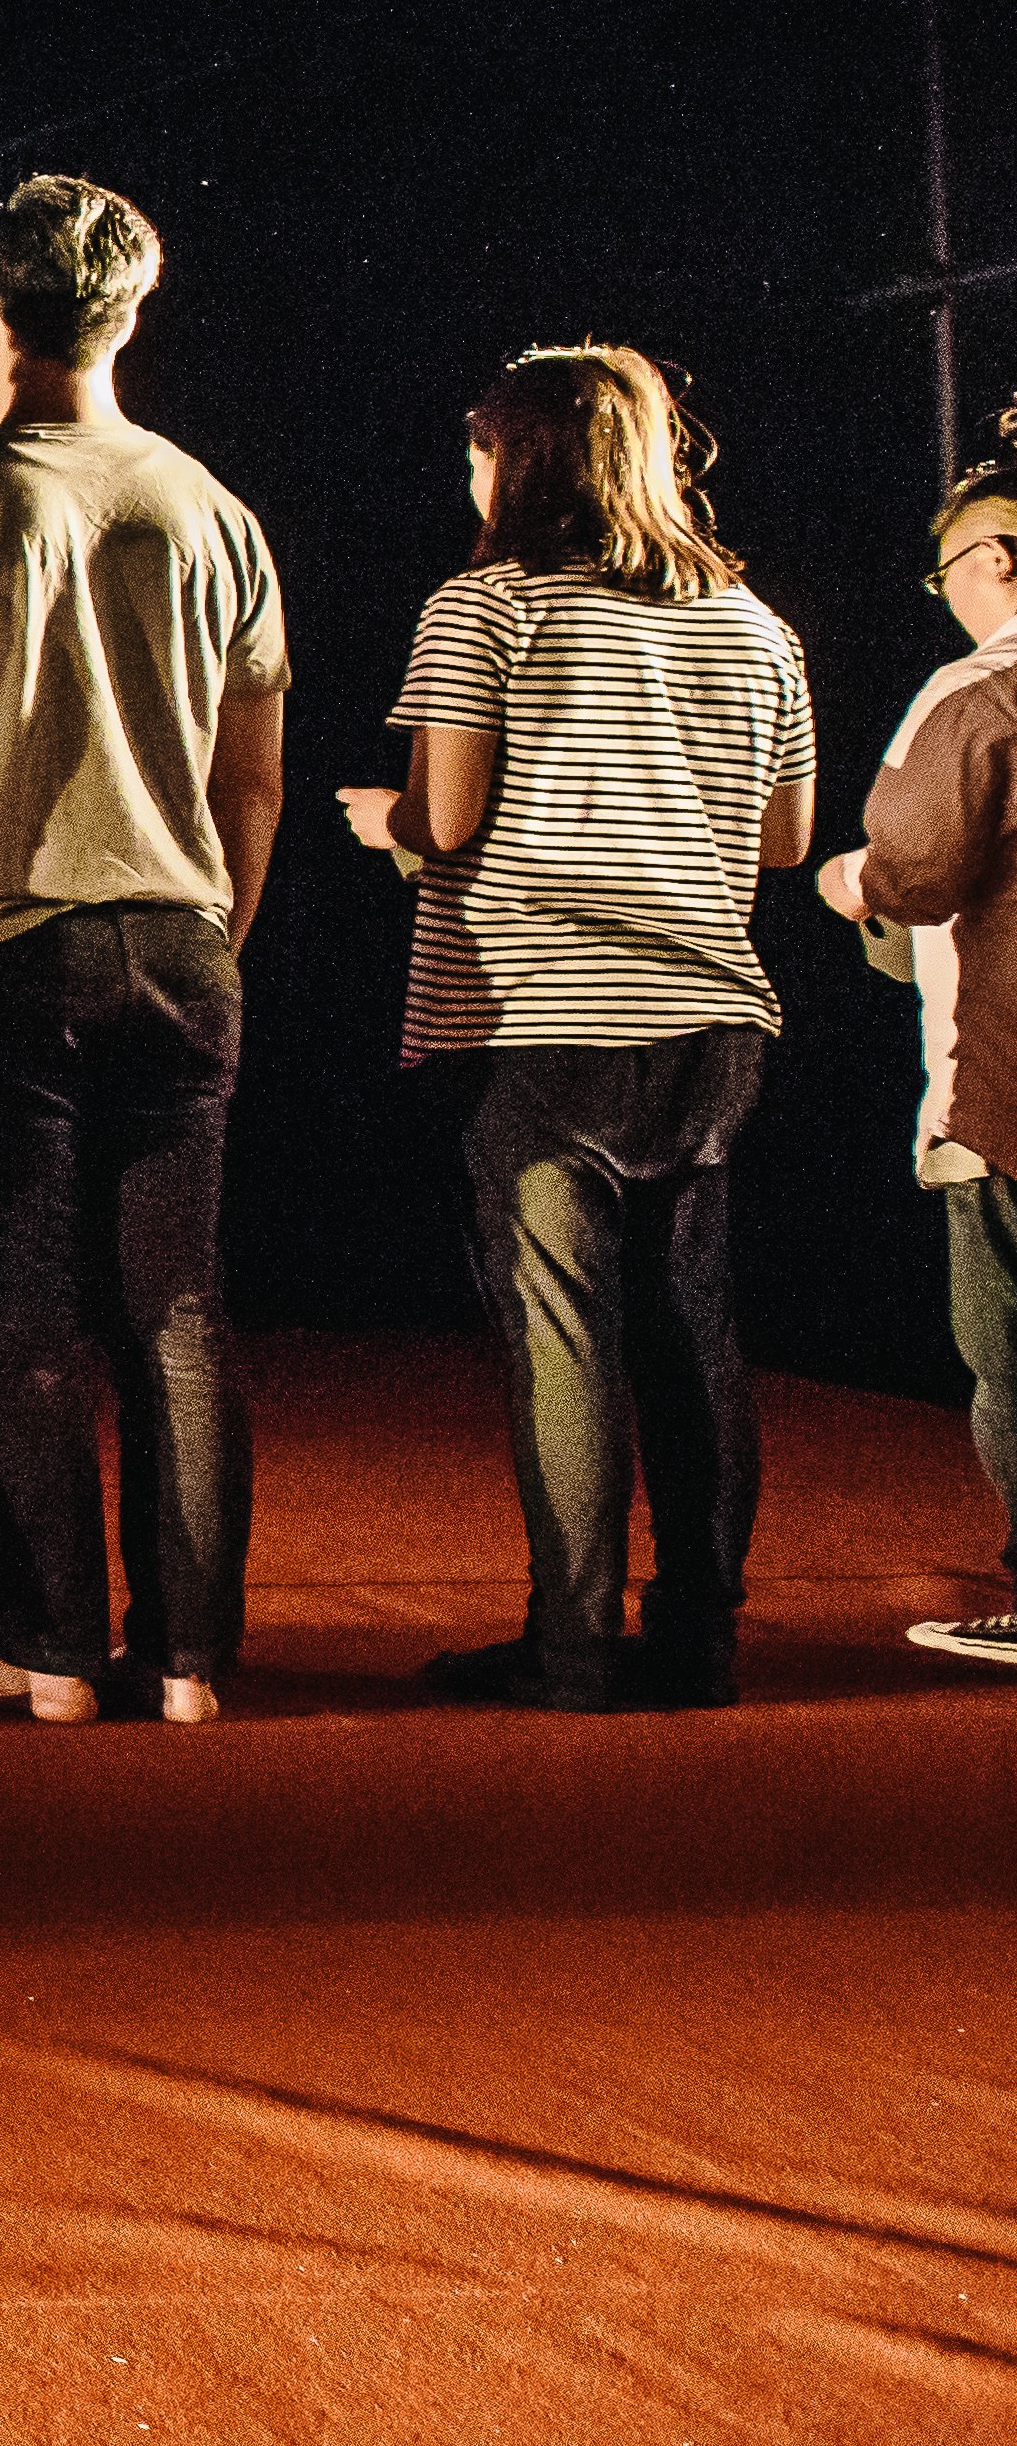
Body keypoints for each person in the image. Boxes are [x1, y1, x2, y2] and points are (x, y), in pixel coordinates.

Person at [0, 177, 289, 1731]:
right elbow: (252, 774)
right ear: (126, 316)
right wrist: (211, 925)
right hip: (175, 933)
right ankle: (187, 1659)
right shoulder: (212, 512)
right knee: (176, 1305)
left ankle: (49, 1650)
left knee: (15, 1304)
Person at [344, 344, 813, 1713]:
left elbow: (451, 818)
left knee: (561, 1330)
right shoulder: (753, 622)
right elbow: (780, 840)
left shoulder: (481, 606)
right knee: (690, 1326)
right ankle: (698, 1633)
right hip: (712, 1016)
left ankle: (570, 1642)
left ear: (519, 459)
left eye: (481, 446)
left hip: (541, 1016)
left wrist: (387, 821)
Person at [830, 442, 1017, 1673]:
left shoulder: (976, 690)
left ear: (994, 559)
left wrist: (854, 882)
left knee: (1006, 1347)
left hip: (1003, 1078)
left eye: (945, 566)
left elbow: (914, 865)